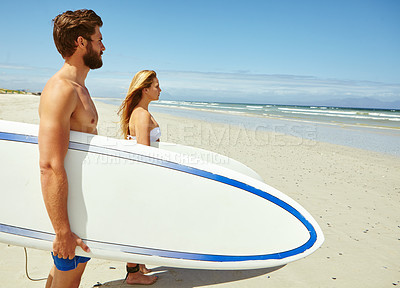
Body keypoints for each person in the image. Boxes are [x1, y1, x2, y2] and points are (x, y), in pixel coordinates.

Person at [38, 9, 105, 288]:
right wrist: (62, 230)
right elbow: (50, 165)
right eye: (98, 38)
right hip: (70, 215)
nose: (103, 46)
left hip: (79, 207)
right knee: (69, 279)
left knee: (64, 276)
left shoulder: (80, 88)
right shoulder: (61, 89)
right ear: (81, 42)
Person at [117, 70, 161, 285]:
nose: (160, 90)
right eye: (156, 86)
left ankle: (139, 264)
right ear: (145, 89)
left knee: (140, 220)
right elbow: (145, 153)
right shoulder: (142, 114)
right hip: (143, 175)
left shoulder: (139, 111)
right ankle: (133, 273)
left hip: (138, 175)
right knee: (139, 221)